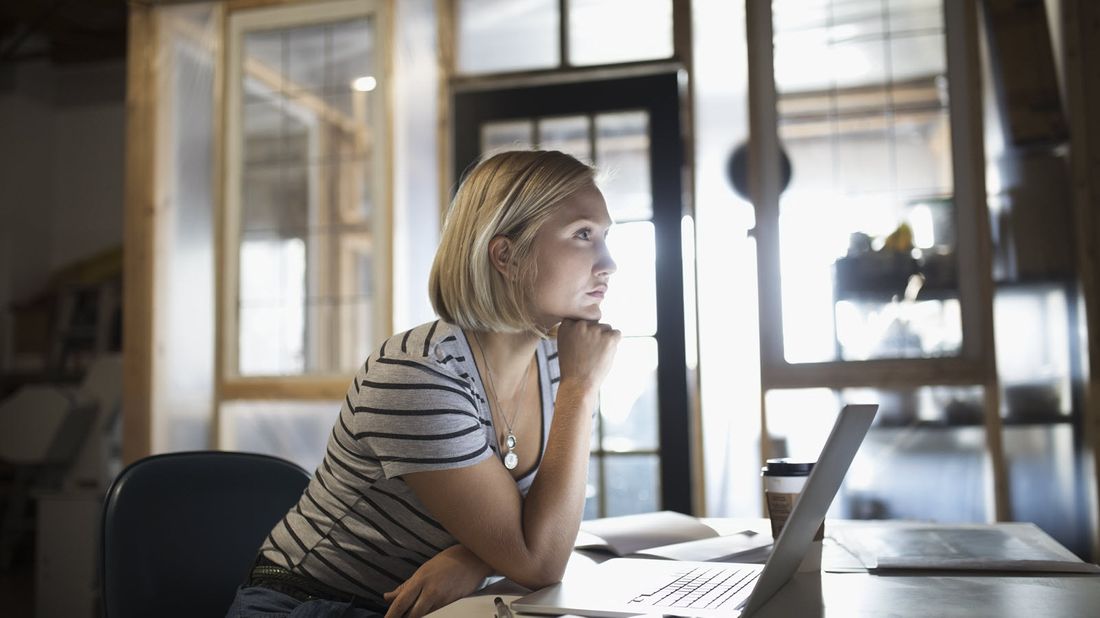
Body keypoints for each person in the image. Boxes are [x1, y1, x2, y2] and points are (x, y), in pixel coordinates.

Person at [227, 149, 620, 618]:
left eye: (605, 237)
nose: (608, 263)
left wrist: (474, 559)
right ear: (506, 255)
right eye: (583, 235)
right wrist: (580, 388)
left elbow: (548, 529)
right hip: (309, 604)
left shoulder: (560, 358)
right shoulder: (418, 374)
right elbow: (540, 561)